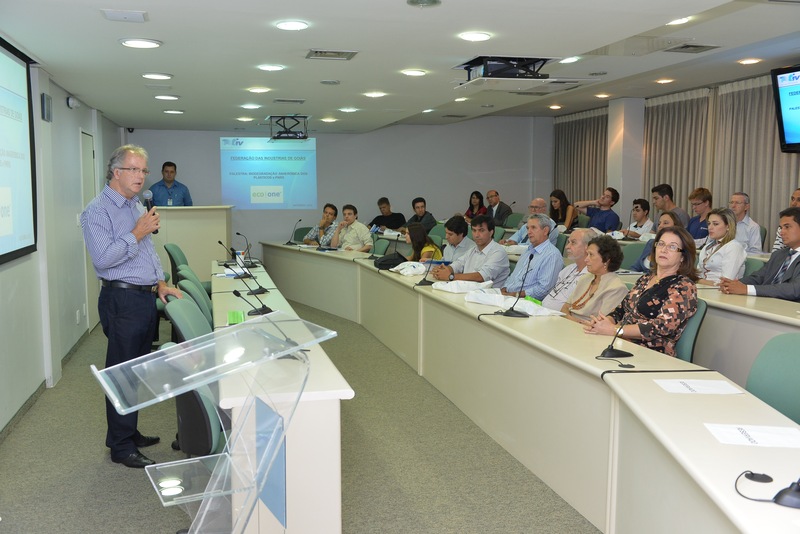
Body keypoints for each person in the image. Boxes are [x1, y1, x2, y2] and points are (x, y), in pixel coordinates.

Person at [81, 145, 182, 468]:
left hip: (144, 298)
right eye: (134, 169)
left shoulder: (135, 204)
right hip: (122, 300)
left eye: (144, 170)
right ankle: (121, 447)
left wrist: (160, 282)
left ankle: (127, 431)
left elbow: (147, 252)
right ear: (116, 172)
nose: (141, 176)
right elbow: (103, 259)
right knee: (121, 374)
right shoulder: (97, 211)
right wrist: (136, 233)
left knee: (134, 373)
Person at [583, 226, 698, 357]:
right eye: (661, 244)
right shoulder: (646, 278)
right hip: (621, 343)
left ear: (683, 256)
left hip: (652, 354)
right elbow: (621, 309)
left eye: (672, 247)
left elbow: (662, 326)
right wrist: (604, 322)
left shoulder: (684, 286)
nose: (664, 250)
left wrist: (615, 330)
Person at [719, 207, 800, 301]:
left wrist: (747, 289)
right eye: (781, 228)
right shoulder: (778, 255)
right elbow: (758, 277)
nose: (781, 232)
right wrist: (732, 285)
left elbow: (794, 289)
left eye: (787, 227)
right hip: (766, 303)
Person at [562, 235, 627, 322]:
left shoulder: (616, 288)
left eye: (591, 255)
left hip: (586, 329)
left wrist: (573, 321)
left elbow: (601, 323)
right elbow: (564, 308)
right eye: (587, 254)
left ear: (606, 260)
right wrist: (574, 320)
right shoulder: (585, 278)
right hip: (569, 323)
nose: (586, 259)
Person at [432, 215, 509, 287]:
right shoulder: (473, 250)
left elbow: (482, 276)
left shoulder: (498, 252)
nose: (476, 235)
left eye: (481, 230)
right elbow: (458, 264)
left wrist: (450, 276)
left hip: (488, 294)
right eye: (474, 230)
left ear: (491, 232)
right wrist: (443, 270)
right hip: (468, 290)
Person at [499, 214, 563, 301]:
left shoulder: (552, 255)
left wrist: (515, 295)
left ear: (545, 231)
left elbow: (544, 289)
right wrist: (504, 289)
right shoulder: (527, 251)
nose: (529, 232)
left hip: (525, 301)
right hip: (508, 296)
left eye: (533, 228)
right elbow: (514, 277)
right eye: (528, 228)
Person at [541, 228, 595, 311]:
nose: (567, 247)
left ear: (588, 247)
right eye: (568, 242)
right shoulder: (568, 269)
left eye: (573, 242)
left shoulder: (591, 276)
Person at [697, 208, 746, 286]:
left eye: (715, 224)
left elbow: (726, 281)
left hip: (720, 291)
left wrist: (700, 281)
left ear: (728, 226)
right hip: (703, 288)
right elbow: (697, 275)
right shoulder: (707, 247)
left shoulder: (734, 247)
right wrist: (698, 280)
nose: (710, 227)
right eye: (709, 223)